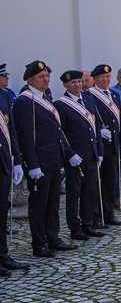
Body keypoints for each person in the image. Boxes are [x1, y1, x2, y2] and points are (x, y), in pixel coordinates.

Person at [13, 60, 80, 257]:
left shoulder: (45, 98)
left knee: (52, 203)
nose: (46, 80)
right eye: (41, 77)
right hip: (39, 162)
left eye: (47, 77)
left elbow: (57, 131)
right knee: (39, 205)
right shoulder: (25, 102)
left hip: (53, 159)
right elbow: (25, 135)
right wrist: (31, 164)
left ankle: (53, 237)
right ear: (30, 79)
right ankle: (39, 243)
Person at [54, 70, 104, 240]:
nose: (77, 85)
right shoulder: (61, 105)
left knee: (90, 191)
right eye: (73, 82)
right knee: (73, 194)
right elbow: (61, 133)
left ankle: (87, 224)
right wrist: (69, 154)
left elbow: (95, 129)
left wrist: (99, 150)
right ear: (65, 85)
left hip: (90, 154)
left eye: (79, 81)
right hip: (75, 156)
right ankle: (74, 228)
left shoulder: (88, 100)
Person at [90, 64, 121, 227]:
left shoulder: (114, 94)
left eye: (107, 77)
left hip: (113, 144)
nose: (105, 80)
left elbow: (120, 120)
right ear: (95, 79)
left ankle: (109, 213)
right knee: (96, 183)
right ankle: (96, 216)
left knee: (110, 180)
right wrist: (98, 132)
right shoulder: (89, 95)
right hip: (99, 145)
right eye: (101, 77)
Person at [0, 69, 26, 274]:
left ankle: (2, 254)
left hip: (4, 161)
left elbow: (12, 130)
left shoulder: (4, 95)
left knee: (2, 212)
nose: (6, 78)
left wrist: (16, 160)